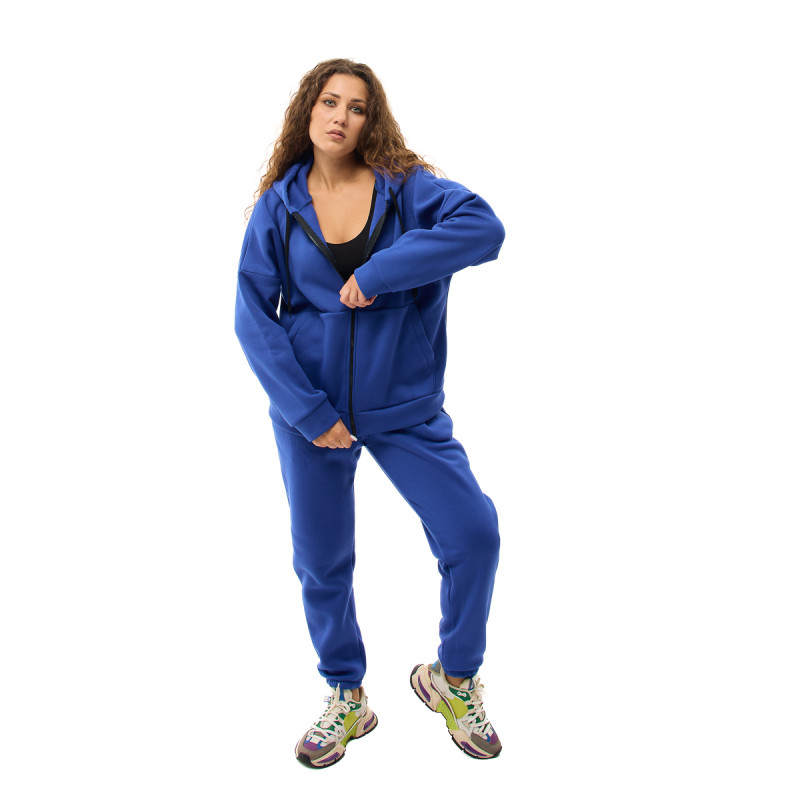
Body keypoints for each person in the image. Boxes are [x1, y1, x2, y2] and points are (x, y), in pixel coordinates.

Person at [234, 58, 505, 768]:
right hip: (312, 409)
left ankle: (453, 679)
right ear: (309, 110)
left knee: (473, 533)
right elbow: (252, 317)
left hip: (404, 402)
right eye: (330, 101)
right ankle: (346, 694)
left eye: (357, 107)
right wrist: (307, 410)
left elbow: (484, 229)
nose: (341, 117)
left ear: (370, 120)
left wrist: (381, 271)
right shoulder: (278, 206)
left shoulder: (405, 188)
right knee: (322, 560)